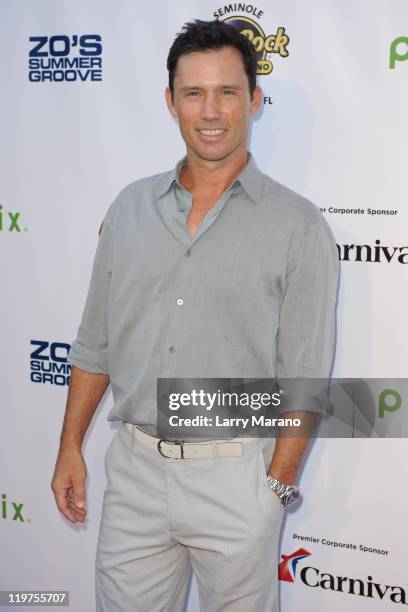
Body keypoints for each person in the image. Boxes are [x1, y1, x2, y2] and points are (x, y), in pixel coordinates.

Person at [51, 19, 339, 612]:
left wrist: (275, 488)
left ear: (255, 101)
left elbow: (305, 378)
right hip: (133, 475)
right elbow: (95, 343)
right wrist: (69, 447)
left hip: (236, 480)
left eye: (228, 92)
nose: (211, 111)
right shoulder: (129, 209)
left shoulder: (298, 225)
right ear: (170, 101)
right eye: (194, 93)